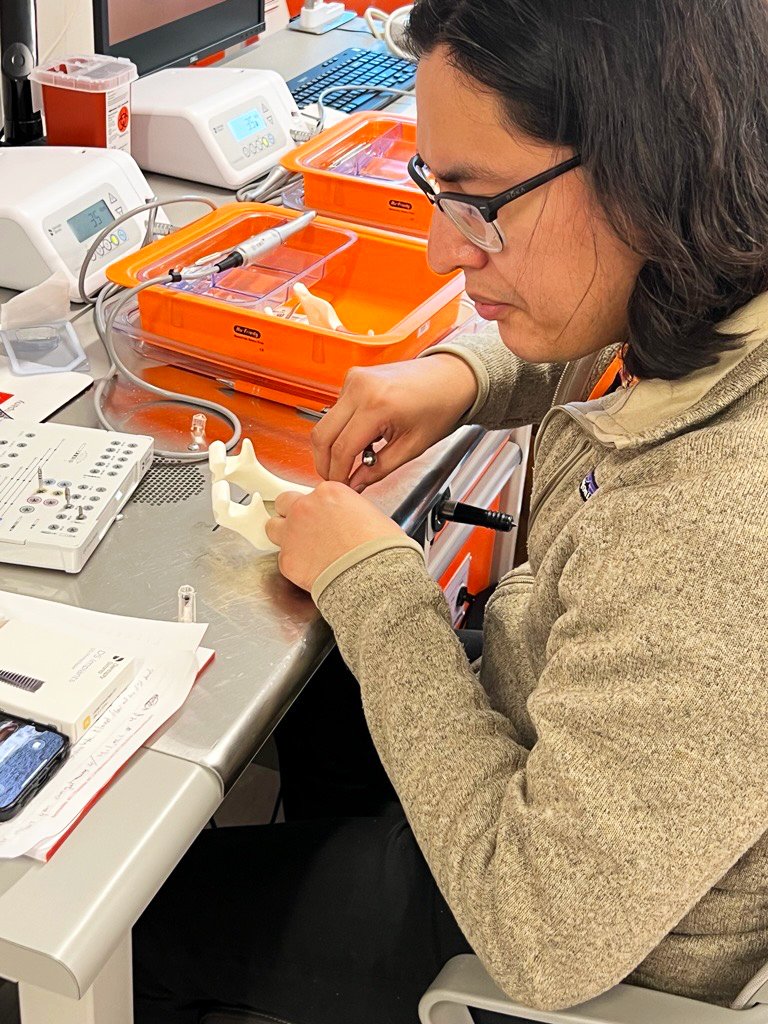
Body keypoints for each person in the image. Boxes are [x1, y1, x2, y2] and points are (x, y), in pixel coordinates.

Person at [133, 0, 768, 1021]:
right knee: (328, 677)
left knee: (140, 924)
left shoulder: (723, 529)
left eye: (478, 201)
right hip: (571, 781)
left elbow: (539, 937)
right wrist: (458, 375)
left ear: (654, 170)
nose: (440, 250)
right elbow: (624, 339)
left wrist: (379, 587)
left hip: (559, 924)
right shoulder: (717, 280)